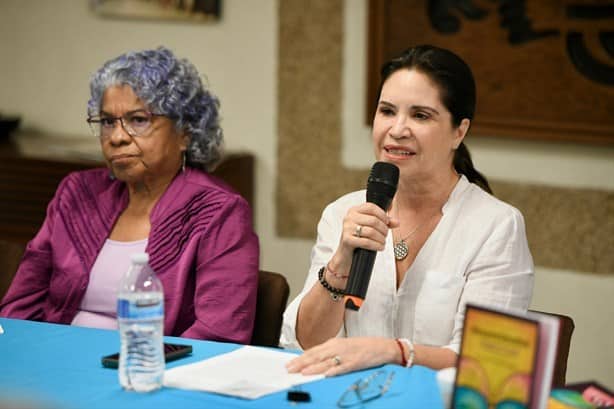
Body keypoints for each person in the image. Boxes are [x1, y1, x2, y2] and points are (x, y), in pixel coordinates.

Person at [282, 45, 534, 376]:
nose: (397, 129)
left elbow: (486, 363)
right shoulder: (343, 212)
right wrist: (341, 261)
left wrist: (390, 351)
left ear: (459, 131)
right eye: (387, 111)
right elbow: (307, 344)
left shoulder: (496, 226)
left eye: (420, 115)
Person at [0, 47, 259, 343]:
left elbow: (219, 334)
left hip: (149, 373)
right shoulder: (77, 193)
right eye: (108, 121)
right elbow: (20, 304)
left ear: (185, 133)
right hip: (54, 364)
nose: (117, 137)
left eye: (138, 120)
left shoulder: (218, 211)